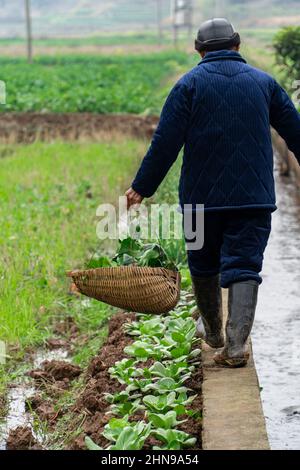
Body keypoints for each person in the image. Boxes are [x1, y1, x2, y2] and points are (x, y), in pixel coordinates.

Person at [125, 18, 300, 368]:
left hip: (198, 201)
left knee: (202, 263)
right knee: (244, 264)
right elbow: (294, 131)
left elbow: (165, 144)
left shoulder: (187, 85)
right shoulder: (264, 84)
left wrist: (142, 187)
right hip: (254, 198)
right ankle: (235, 346)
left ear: (198, 51)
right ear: (237, 45)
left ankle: (215, 334)